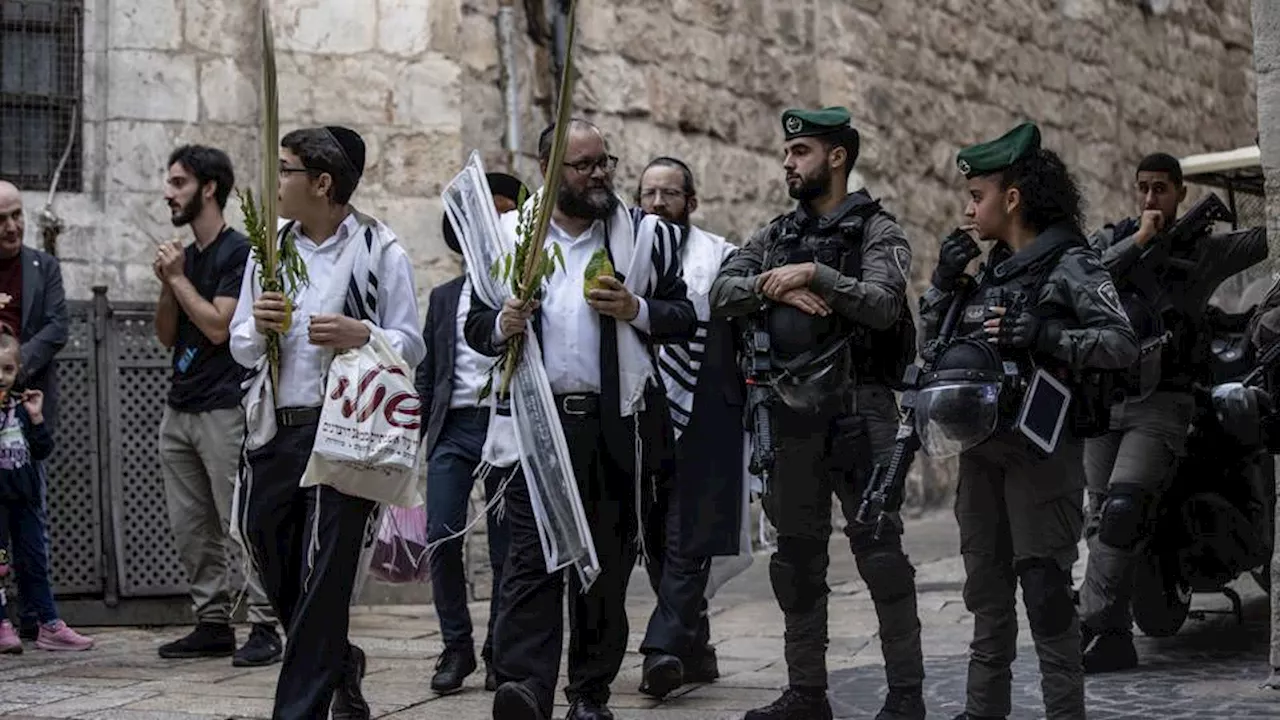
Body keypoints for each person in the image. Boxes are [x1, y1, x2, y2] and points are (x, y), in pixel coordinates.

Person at [463, 118, 696, 720]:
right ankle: (525, 686)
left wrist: (635, 307)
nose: (599, 175)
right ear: (549, 170)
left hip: (612, 424)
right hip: (533, 424)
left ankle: (589, 693)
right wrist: (501, 324)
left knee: (606, 567)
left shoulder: (640, 237)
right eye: (583, 165)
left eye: (604, 163)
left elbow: (681, 316)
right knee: (530, 561)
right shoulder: (509, 237)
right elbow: (474, 324)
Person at [709, 107, 925, 720]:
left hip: (862, 413)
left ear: (837, 157)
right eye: (786, 151)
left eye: (799, 151)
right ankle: (807, 694)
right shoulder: (775, 235)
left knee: (880, 557)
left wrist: (820, 276)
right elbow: (720, 293)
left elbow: (884, 305)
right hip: (790, 416)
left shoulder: (878, 231)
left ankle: (906, 697)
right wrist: (771, 284)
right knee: (796, 563)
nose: (787, 162)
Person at [918, 121, 1138, 720]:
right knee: (987, 593)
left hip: (1043, 454)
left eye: (977, 196)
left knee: (1045, 594)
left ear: (1011, 198)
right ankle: (981, 710)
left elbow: (1122, 343)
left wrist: (1049, 334)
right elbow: (929, 354)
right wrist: (941, 286)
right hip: (983, 451)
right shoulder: (988, 271)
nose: (968, 209)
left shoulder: (1070, 262)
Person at [229, 126, 426, 720]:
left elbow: (410, 344)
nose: (276, 182)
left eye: (285, 169)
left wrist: (361, 333)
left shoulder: (380, 248)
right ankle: (339, 661)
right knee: (268, 546)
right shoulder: (267, 250)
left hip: (347, 430)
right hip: (277, 428)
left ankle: (299, 710)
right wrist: (257, 327)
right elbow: (240, 345)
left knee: (326, 569)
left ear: (321, 183)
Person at [152, 145, 281, 667]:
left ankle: (266, 623)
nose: (168, 192)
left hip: (225, 407)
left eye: (179, 182)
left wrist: (178, 278)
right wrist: (169, 282)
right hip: (179, 407)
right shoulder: (187, 258)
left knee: (240, 520)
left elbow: (219, 326)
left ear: (208, 188)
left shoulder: (238, 252)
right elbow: (167, 335)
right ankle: (210, 621)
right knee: (191, 526)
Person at [1077, 153, 1196, 673]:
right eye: (1143, 188)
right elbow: (1087, 278)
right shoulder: (1115, 238)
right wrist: (1141, 240)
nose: (1150, 200)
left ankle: (1081, 615)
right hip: (1109, 400)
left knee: (1123, 511)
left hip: (1162, 402)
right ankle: (1114, 637)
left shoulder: (1200, 245)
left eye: (1161, 190)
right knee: (1099, 517)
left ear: (1180, 193)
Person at [633, 156, 742, 697]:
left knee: (685, 536)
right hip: (642, 414)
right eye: (648, 193)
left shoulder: (721, 257)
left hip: (702, 417)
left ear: (690, 203)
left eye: (669, 194)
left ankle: (661, 650)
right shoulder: (627, 257)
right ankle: (695, 648)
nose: (657, 204)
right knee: (653, 539)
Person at [417, 171, 526, 694]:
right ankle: (455, 646)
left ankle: (499, 647)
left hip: (505, 424)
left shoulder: (521, 293)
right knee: (440, 535)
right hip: (452, 430)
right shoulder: (442, 298)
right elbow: (428, 371)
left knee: (507, 548)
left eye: (507, 215)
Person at [0, 179, 69, 642]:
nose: (12, 226)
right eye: (1, 219)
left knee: (30, 520)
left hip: (26, 411)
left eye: (17, 214)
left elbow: (58, 325)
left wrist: (14, 365)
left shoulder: (44, 266)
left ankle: (38, 619)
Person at [0, 330, 93, 653]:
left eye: (8, 370)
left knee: (34, 562)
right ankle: (2, 624)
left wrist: (37, 419)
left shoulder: (22, 409)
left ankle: (48, 624)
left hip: (24, 502)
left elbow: (42, 450)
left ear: (18, 370)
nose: (2, 377)